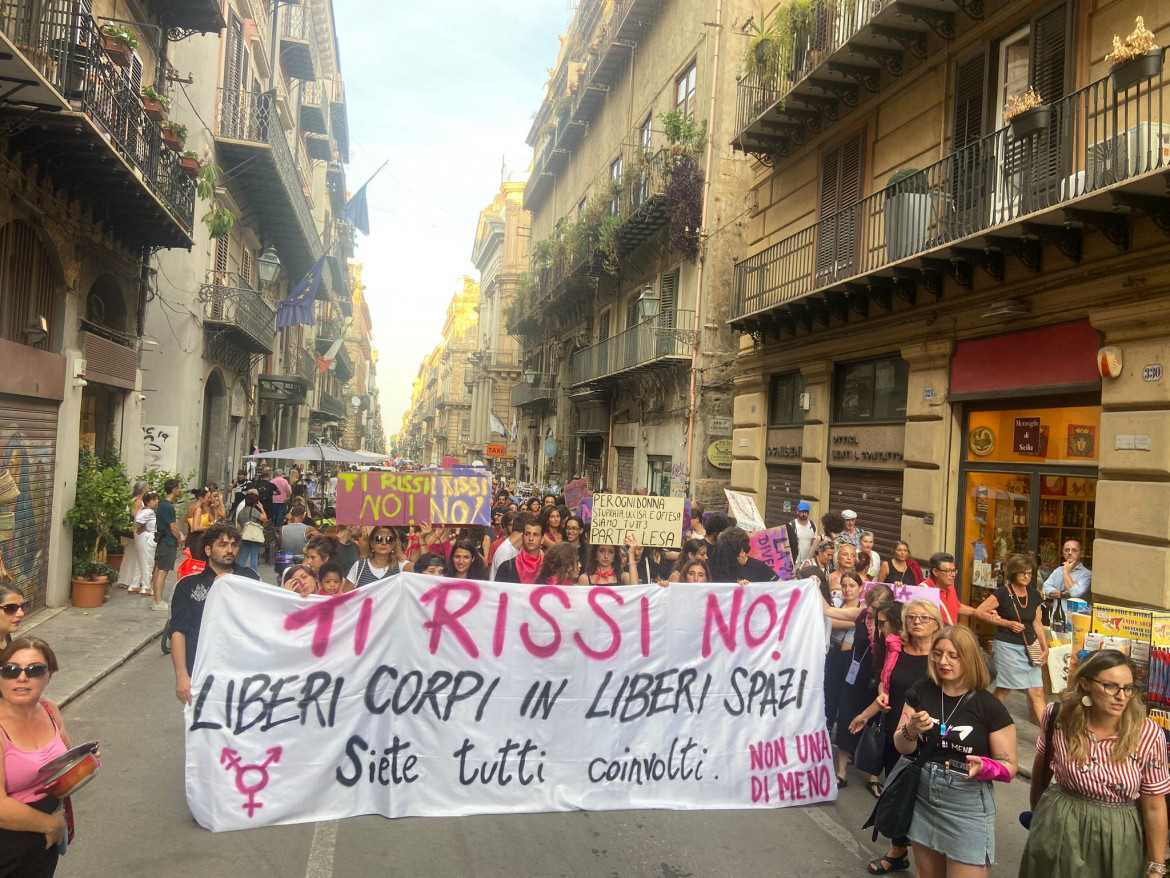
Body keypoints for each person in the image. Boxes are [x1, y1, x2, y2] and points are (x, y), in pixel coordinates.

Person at [1019, 649, 1170, 878]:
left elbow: (1154, 806)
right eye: (1111, 686)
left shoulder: (1148, 734)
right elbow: (1042, 765)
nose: (1121, 696)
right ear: (1085, 684)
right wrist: (1037, 813)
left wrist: (1156, 868)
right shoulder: (1058, 717)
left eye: (1128, 688)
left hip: (1118, 838)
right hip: (1058, 826)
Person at [894, 626, 1016, 876]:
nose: (943, 662)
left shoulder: (989, 706)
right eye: (937, 654)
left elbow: (1009, 767)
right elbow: (902, 745)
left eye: (953, 655)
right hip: (923, 795)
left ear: (970, 658)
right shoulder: (922, 690)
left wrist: (985, 767)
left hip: (967, 804)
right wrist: (911, 730)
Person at [853, 597, 944, 875]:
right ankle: (898, 851)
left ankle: (934, 857)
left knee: (930, 796)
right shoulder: (896, 649)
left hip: (934, 733)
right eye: (912, 617)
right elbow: (887, 682)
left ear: (936, 623)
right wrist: (870, 708)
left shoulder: (943, 653)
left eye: (924, 618)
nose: (917, 622)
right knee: (897, 792)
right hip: (898, 731)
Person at [0, 637, 71, 876]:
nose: (21, 678)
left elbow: (65, 763)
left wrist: (85, 763)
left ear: (49, 675)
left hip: (44, 848)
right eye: (10, 670)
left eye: (34, 670)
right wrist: (50, 825)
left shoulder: (50, 710)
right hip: (7, 848)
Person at [171, 523, 261, 705]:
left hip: (242, 673)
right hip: (201, 672)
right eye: (223, 545)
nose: (230, 550)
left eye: (234, 545)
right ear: (208, 549)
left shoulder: (250, 579)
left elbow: (265, 621)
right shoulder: (188, 585)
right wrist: (182, 676)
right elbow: (178, 631)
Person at [832, 585, 896, 797]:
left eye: (876, 608)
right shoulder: (861, 615)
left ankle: (873, 776)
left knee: (876, 725)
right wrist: (814, 585)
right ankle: (841, 771)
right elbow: (830, 611)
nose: (870, 611)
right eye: (869, 605)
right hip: (855, 677)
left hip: (881, 680)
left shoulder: (895, 625)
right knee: (846, 719)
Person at [975, 553, 1047, 723]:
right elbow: (979, 612)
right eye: (1023, 573)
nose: (1027, 576)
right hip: (1008, 646)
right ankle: (986, 723)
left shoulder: (1034, 594)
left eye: (1029, 573)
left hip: (1030, 647)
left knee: (1037, 690)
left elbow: (1037, 623)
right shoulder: (1002, 593)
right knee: (1004, 689)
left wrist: (1045, 648)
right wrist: (1007, 623)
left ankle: (1048, 735)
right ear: (1014, 572)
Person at [825, 571, 862, 745]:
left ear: (860, 588)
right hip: (832, 654)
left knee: (846, 699)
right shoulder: (836, 603)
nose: (847, 590)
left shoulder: (863, 608)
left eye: (852, 586)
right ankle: (826, 731)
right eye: (844, 585)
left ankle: (843, 743)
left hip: (849, 658)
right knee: (828, 695)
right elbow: (829, 621)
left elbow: (833, 621)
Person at [150, 479, 184, 612]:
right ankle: (158, 601)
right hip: (167, 541)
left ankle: (156, 599)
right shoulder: (168, 506)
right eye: (179, 488)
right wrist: (180, 538)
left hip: (165, 540)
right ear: (174, 490)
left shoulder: (164, 505)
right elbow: (173, 527)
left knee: (160, 570)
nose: (180, 490)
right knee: (162, 572)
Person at [922, 552, 977, 626]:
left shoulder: (951, 588)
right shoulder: (923, 591)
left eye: (954, 571)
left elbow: (957, 607)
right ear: (935, 572)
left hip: (949, 636)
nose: (953, 575)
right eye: (948, 571)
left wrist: (980, 612)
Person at [1041, 538, 1092, 616]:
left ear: (1082, 554)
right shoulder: (1058, 570)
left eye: (1074, 550)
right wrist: (1062, 594)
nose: (1070, 553)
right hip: (1056, 616)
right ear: (1063, 553)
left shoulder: (1086, 574)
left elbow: (1074, 593)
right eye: (1067, 550)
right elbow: (1045, 589)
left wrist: (1066, 572)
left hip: (1076, 620)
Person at [709, 527, 779, 584]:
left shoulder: (758, 567)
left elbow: (779, 585)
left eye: (745, 551)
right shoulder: (715, 568)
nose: (744, 555)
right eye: (741, 552)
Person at [118, 480, 147, 590]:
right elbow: (134, 515)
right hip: (136, 531)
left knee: (129, 555)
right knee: (134, 556)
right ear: (143, 490)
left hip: (131, 531)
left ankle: (125, 579)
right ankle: (130, 580)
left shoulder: (131, 499)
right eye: (147, 488)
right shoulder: (138, 501)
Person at [495, 518, 543, 584]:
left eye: (536, 535)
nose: (531, 538)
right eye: (527, 534)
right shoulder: (506, 567)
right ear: (522, 537)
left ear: (542, 539)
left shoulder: (549, 569)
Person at [129, 491, 159, 595]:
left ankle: (134, 585)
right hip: (147, 540)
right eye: (153, 500)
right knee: (147, 563)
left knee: (140, 563)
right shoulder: (148, 512)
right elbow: (137, 520)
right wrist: (142, 527)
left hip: (141, 539)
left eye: (157, 499)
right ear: (147, 502)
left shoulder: (143, 510)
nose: (156, 502)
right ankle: (146, 587)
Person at [235, 489, 267, 573]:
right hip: (254, 535)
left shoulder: (241, 512)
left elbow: (239, 524)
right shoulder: (253, 511)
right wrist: (262, 508)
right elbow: (264, 518)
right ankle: (254, 572)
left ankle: (240, 571)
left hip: (245, 535)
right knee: (254, 555)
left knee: (244, 555)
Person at [491, 513, 531, 580]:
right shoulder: (504, 552)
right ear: (526, 532)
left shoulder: (518, 548)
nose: (531, 538)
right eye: (530, 533)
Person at [798, 536, 835, 602]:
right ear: (820, 552)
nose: (830, 558)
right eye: (828, 555)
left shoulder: (827, 566)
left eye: (832, 555)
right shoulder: (808, 564)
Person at [786, 501, 818, 566]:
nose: (804, 514)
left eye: (806, 512)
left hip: (807, 562)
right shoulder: (792, 525)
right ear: (797, 511)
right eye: (802, 512)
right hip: (794, 561)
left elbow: (814, 544)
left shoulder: (813, 526)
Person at [183, 488, 210, 562]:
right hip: (196, 540)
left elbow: (185, 521)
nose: (209, 499)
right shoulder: (198, 509)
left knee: (193, 561)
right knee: (198, 562)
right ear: (201, 498)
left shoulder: (191, 507)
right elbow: (196, 527)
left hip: (190, 537)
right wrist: (209, 527)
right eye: (208, 497)